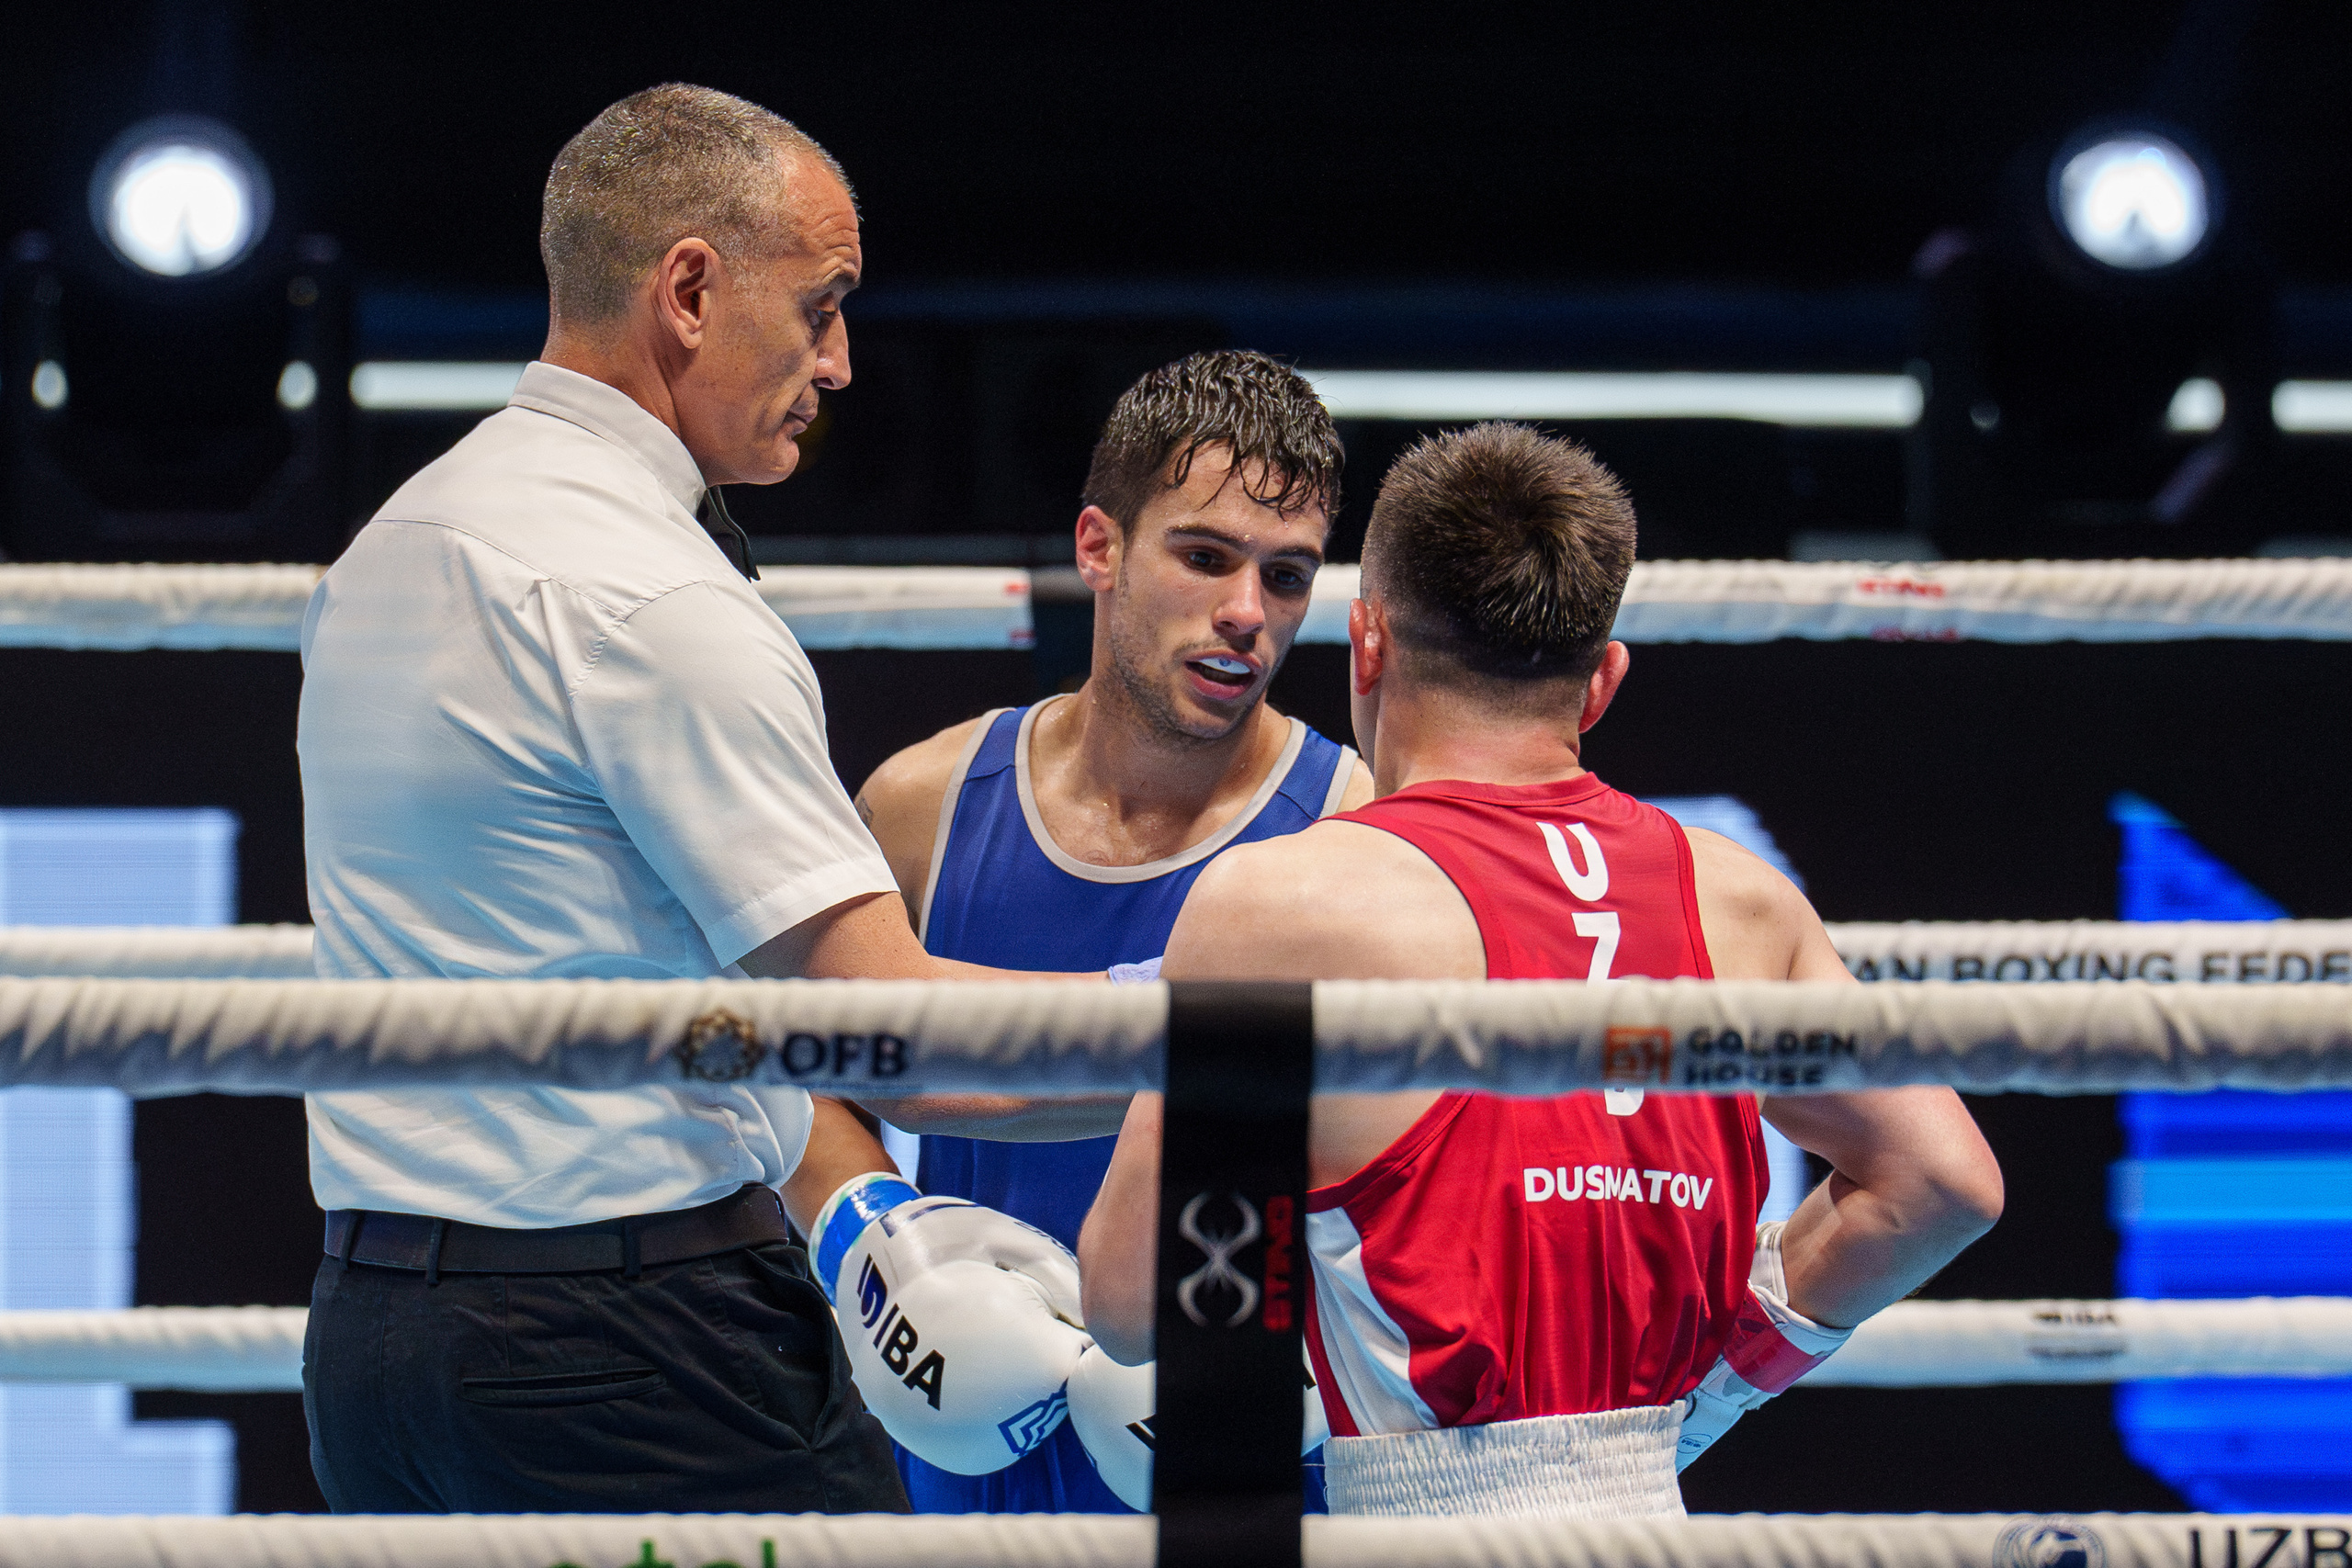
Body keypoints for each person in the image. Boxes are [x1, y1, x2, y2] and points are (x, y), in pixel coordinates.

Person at [297, 84, 1068, 1516]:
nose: (838, 361)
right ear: (692, 289)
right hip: (631, 1347)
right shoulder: (647, 594)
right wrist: (1231, 1031)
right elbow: (890, 1028)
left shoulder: (394, 545)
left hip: (374, 1351)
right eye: (821, 304)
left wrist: (854, 1206)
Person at [1077, 423, 2005, 1517]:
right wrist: (1700, 1405)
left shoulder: (1285, 902)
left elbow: (1133, 1296)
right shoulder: (1740, 897)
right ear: (1601, 680)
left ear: (1366, 644)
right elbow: (1944, 1184)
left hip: (1418, 1527)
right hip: (1650, 1516)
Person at [848, 349, 1374, 1512]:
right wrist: (871, 1245)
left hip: (1231, 1466)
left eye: (1286, 578)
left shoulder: (1352, 834)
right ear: (1099, 548)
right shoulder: (926, 801)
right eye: (1204, 556)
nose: (1246, 612)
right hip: (971, 1455)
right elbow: (797, 1058)